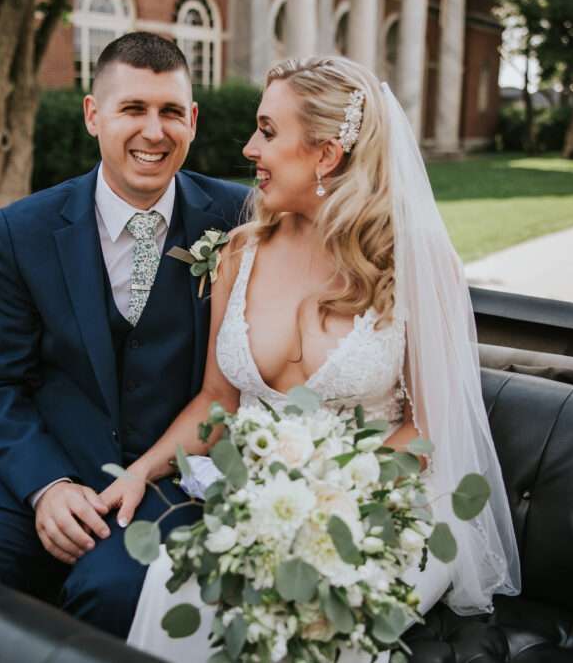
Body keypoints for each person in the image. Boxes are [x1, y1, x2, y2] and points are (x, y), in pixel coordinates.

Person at [99, 56, 522, 660]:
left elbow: (427, 428)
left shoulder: (413, 261)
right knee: (178, 580)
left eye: (268, 131)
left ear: (325, 155)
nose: (249, 147)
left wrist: (328, 500)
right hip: (261, 502)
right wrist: (143, 471)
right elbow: (218, 402)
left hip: (391, 503)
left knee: (293, 607)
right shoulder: (239, 252)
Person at [0, 32, 250, 638]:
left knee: (114, 596)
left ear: (193, 121)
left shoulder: (239, 218)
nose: (154, 131)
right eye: (133, 109)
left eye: (170, 111)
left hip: (168, 477)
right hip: (29, 469)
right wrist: (46, 487)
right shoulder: (25, 228)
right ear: (93, 115)